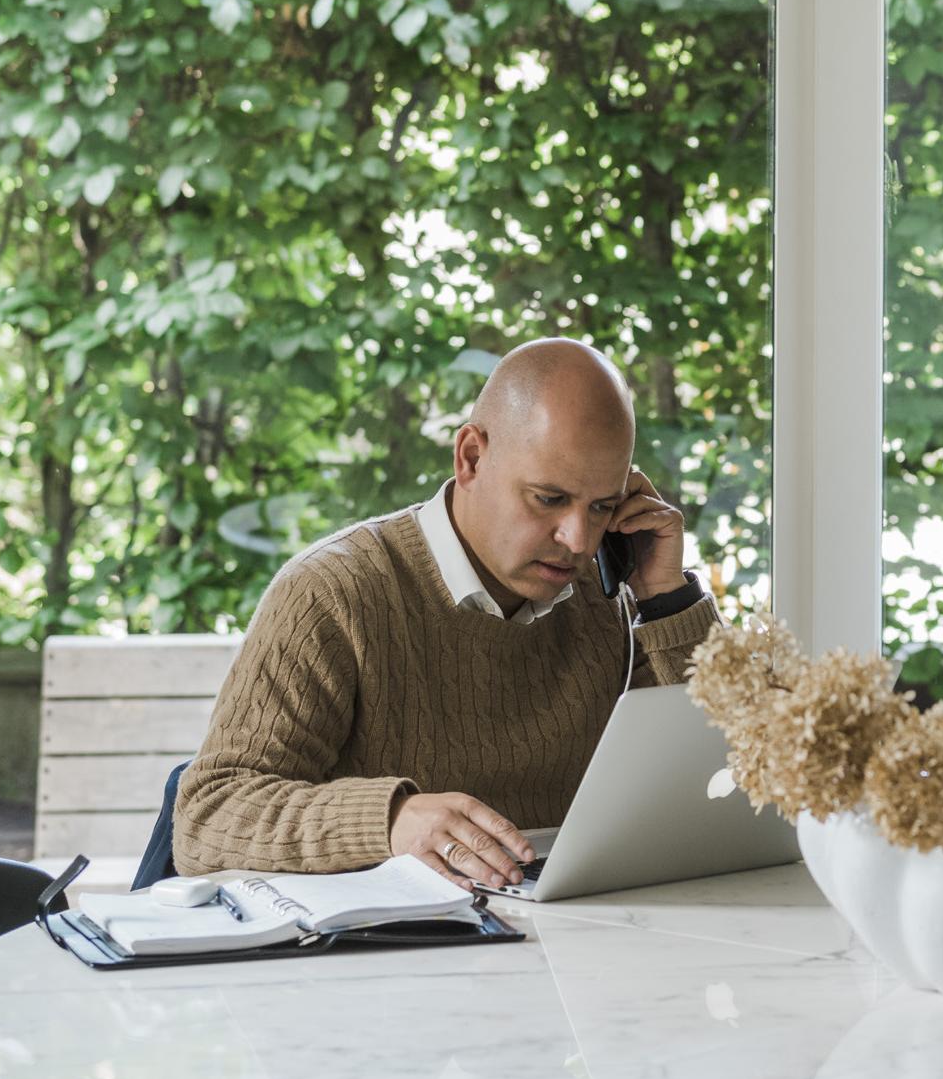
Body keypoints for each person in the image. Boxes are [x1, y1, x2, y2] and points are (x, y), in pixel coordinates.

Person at [172, 338, 720, 880]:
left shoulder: (609, 594)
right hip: (397, 933)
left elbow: (734, 774)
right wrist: (390, 821)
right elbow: (207, 819)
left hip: (574, 921)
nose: (578, 539)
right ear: (471, 458)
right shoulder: (332, 592)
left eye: (602, 506)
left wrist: (669, 600)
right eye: (549, 499)